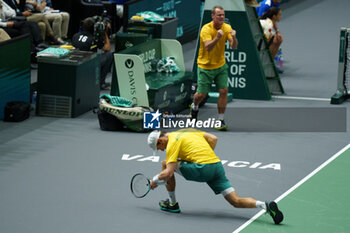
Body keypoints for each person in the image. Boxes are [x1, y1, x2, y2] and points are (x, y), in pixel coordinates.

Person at [147, 129, 284, 225]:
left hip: (202, 169)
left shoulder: (171, 144)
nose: (161, 150)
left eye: (159, 148)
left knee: (165, 164)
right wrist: (204, 156)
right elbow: (213, 138)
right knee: (235, 201)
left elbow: (168, 173)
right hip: (216, 166)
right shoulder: (187, 130)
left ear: (160, 140)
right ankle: (265, 206)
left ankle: (172, 204)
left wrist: (154, 181)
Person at [190, 5, 238, 131]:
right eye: (219, 15)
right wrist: (217, 37)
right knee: (201, 95)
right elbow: (208, 47)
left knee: (224, 90)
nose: (222, 17)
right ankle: (194, 107)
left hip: (220, 66)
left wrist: (233, 37)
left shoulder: (227, 27)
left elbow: (233, 47)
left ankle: (220, 120)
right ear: (213, 16)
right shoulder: (206, 29)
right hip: (205, 66)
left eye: (223, 15)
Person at [72, 17, 113, 90]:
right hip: (88, 64)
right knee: (109, 55)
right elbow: (107, 48)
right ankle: (101, 83)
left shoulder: (75, 36)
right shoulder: (93, 40)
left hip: (76, 63)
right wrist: (104, 32)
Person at [260, 7, 283, 71]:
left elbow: (275, 26)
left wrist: (277, 33)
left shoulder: (272, 21)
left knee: (278, 39)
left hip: (261, 39)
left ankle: (270, 61)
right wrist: (274, 36)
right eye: (279, 15)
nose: (281, 16)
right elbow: (266, 39)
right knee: (275, 40)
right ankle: (267, 62)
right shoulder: (269, 24)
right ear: (274, 16)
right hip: (258, 42)